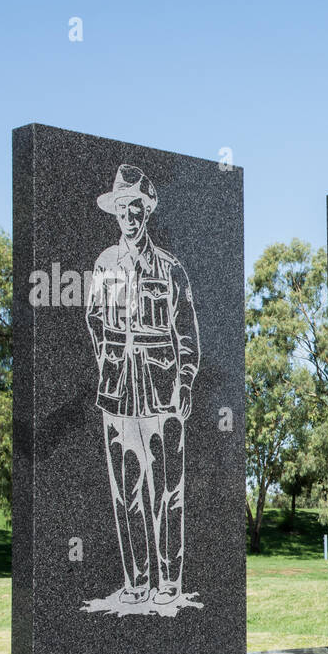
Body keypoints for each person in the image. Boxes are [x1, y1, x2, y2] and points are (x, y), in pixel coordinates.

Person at [85, 164, 200, 610]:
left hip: (163, 387)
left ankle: (168, 580)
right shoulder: (104, 265)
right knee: (127, 489)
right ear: (116, 214)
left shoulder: (170, 268)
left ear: (147, 211)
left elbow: (186, 331)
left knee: (168, 488)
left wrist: (185, 378)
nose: (129, 216)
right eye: (122, 209)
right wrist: (109, 362)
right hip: (119, 389)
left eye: (136, 207)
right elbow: (95, 320)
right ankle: (137, 579)